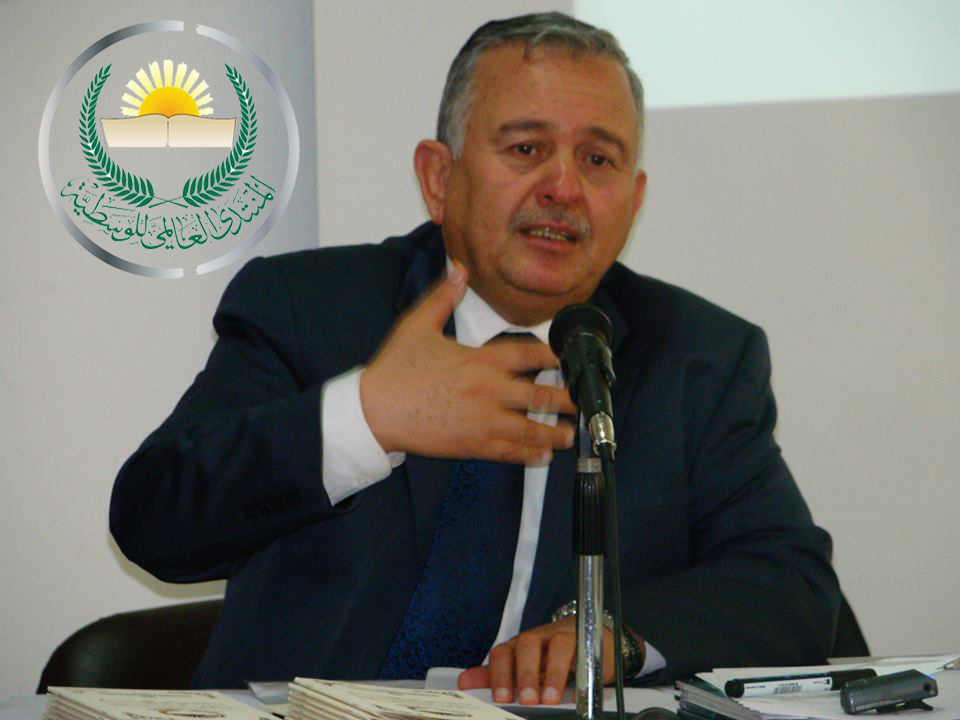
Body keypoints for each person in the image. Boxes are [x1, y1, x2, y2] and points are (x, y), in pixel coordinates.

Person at [110, 12, 840, 704]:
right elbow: (153, 521)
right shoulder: (310, 309)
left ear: (633, 198)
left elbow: (793, 586)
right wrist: (367, 415)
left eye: (598, 160)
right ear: (439, 178)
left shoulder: (698, 358)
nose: (564, 188)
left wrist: (611, 633)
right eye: (526, 149)